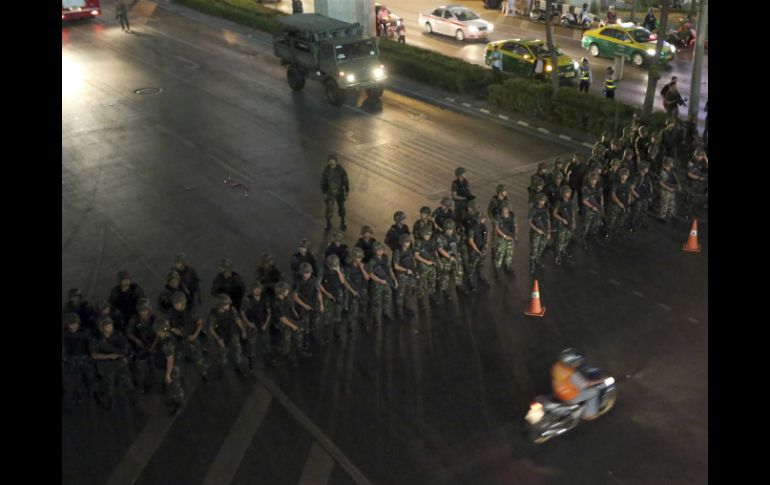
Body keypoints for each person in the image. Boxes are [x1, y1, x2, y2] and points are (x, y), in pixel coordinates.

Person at [90, 317, 136, 410]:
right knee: (108, 384)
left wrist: (124, 357)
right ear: (102, 328)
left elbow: (125, 348)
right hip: (106, 365)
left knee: (126, 379)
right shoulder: (97, 339)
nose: (110, 327)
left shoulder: (118, 335)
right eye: (107, 326)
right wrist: (109, 356)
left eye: (111, 325)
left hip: (119, 362)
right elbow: (94, 355)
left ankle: (132, 397)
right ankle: (109, 401)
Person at [552, 349, 606, 419]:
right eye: (576, 361)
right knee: (594, 392)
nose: (578, 362)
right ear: (570, 363)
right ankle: (589, 414)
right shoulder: (572, 374)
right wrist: (601, 381)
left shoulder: (557, 366)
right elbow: (584, 385)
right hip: (570, 397)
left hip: (558, 393)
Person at [207, 294, 248, 378]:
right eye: (226, 304)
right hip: (222, 335)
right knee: (223, 355)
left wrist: (243, 330)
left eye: (229, 304)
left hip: (233, 333)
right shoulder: (214, 314)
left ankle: (238, 367)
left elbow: (237, 319)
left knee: (238, 351)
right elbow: (210, 328)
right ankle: (222, 371)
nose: (229, 305)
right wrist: (218, 339)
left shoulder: (232, 310)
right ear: (220, 305)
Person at [62, 313, 96, 407]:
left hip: (84, 358)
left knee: (90, 378)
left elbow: (91, 345)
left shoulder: (85, 332)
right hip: (71, 359)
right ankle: (76, 397)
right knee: (73, 381)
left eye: (75, 323)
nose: (73, 326)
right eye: (71, 324)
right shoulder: (65, 334)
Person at [153, 318, 185, 415]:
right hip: (177, 362)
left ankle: (178, 405)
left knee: (176, 387)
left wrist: (168, 374)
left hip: (173, 367)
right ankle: (175, 400)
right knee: (174, 386)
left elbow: (170, 359)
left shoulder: (167, 342)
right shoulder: (171, 333)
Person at [320, 154, 350, 230]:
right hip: (330, 193)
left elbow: (345, 179)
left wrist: (346, 189)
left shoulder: (340, 169)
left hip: (339, 192)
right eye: (330, 160)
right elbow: (323, 182)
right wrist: (324, 192)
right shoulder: (326, 171)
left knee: (342, 207)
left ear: (335, 161)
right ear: (328, 161)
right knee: (329, 209)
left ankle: (343, 221)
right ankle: (328, 222)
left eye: (332, 160)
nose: (331, 161)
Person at [552, 186, 577, 265]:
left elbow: (573, 212)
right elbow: (554, 214)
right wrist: (562, 219)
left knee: (568, 237)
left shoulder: (571, 201)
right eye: (567, 192)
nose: (569, 194)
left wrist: (573, 222)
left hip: (569, 222)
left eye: (569, 192)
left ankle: (563, 250)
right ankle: (558, 256)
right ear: (563, 193)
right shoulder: (559, 202)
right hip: (562, 224)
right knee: (560, 240)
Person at [492, 203, 517, 278]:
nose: (505, 210)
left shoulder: (512, 215)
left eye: (506, 208)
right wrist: (505, 236)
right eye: (504, 209)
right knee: (500, 254)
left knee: (509, 253)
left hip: (510, 236)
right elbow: (497, 229)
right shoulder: (498, 217)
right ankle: (497, 269)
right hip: (502, 238)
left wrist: (515, 234)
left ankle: (507, 266)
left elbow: (515, 225)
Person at [528, 193, 551, 275]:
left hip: (544, 231)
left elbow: (548, 220)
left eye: (544, 201)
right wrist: (537, 230)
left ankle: (537, 260)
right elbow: (529, 222)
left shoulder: (545, 209)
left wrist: (549, 232)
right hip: (536, 232)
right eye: (541, 200)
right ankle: (532, 265)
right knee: (534, 248)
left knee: (542, 246)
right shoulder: (533, 210)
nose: (542, 202)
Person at [658, 157, 680, 223]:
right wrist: (669, 188)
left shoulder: (671, 171)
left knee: (672, 204)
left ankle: (671, 215)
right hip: (666, 191)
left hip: (671, 190)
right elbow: (661, 183)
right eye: (671, 163)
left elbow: (675, 180)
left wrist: (677, 186)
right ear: (669, 164)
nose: (672, 164)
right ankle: (662, 217)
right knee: (665, 204)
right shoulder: (664, 172)